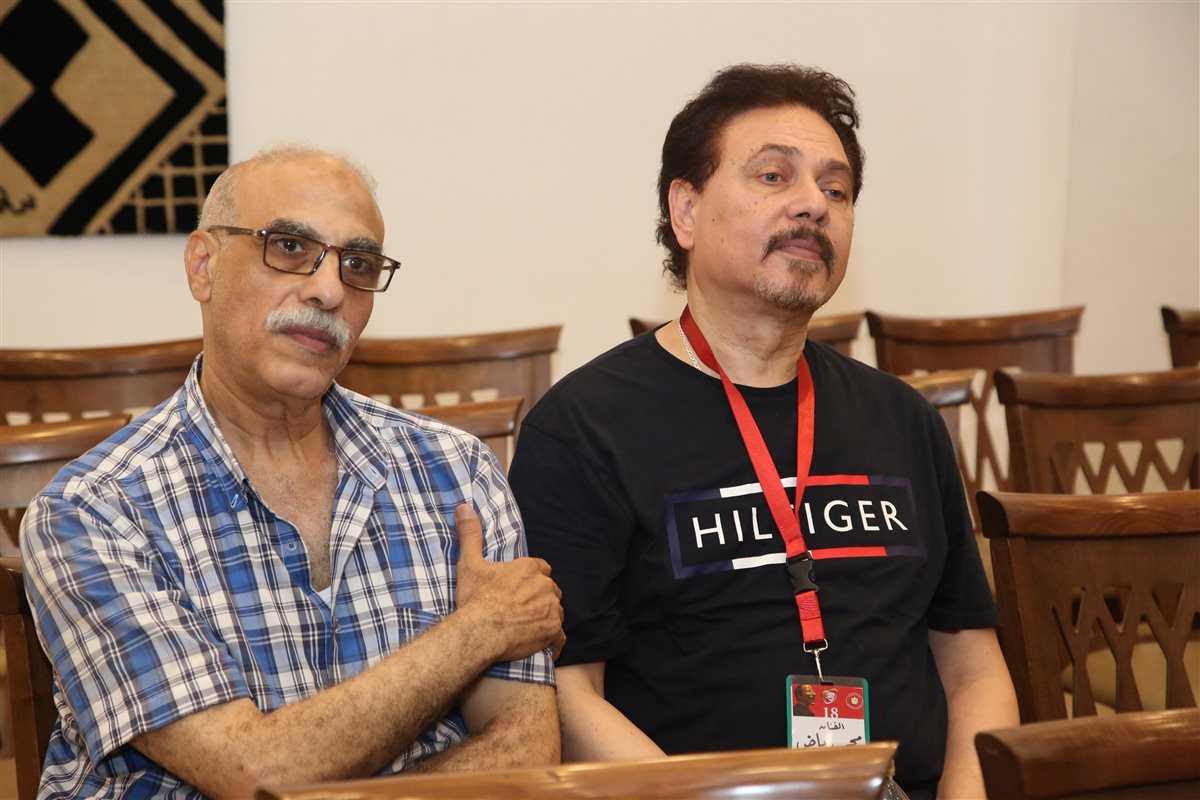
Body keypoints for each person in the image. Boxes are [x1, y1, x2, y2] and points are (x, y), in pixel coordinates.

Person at [507, 64, 1018, 799]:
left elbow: (972, 667)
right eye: (774, 177)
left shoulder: (904, 419)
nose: (813, 204)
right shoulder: (584, 427)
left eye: (836, 190)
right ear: (686, 211)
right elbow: (567, 690)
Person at [21, 145, 565, 798]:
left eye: (357, 264)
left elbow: (525, 750)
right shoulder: (94, 510)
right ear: (203, 265)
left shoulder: (458, 473)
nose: (329, 290)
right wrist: (477, 632)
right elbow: (254, 774)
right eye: (288, 247)